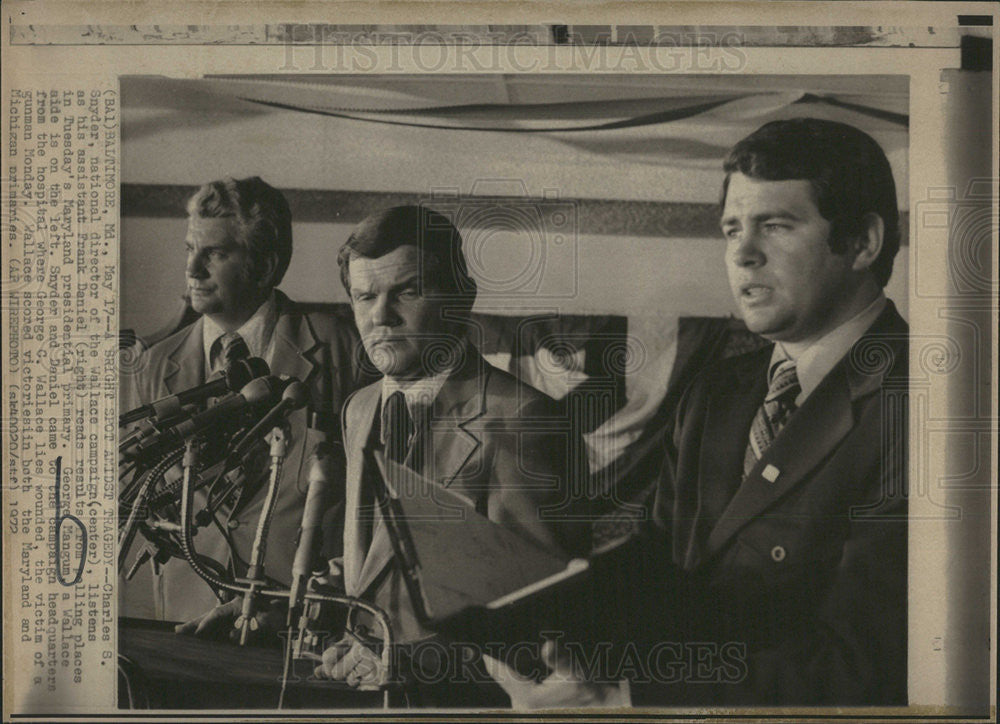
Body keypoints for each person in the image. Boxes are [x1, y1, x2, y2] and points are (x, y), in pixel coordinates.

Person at [486, 118, 909, 707]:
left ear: (863, 241)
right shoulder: (717, 393)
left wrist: (622, 699)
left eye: (776, 226)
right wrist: (524, 619)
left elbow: (868, 670)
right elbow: (660, 564)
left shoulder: (930, 408)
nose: (742, 253)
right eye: (731, 229)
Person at [313, 205, 587, 703]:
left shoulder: (522, 419)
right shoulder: (360, 408)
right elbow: (376, 557)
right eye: (365, 296)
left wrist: (406, 662)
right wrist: (292, 609)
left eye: (407, 292)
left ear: (461, 298)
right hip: (366, 696)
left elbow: (540, 620)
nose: (380, 316)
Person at [120, 176, 369, 625]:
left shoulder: (341, 348)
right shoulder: (155, 364)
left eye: (215, 253)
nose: (192, 269)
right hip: (186, 617)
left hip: (302, 617)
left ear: (265, 265)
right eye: (188, 249)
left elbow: (375, 497)